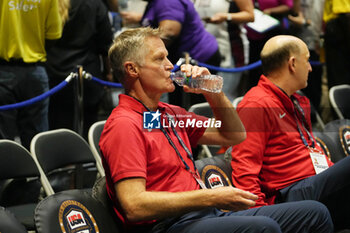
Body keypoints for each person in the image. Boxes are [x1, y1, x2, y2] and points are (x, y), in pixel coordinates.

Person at [99, 27, 334, 233]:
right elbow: (134, 205)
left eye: (168, 57)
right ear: (132, 70)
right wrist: (212, 196)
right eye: (160, 59)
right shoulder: (124, 124)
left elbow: (233, 134)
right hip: (168, 225)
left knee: (315, 213)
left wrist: (213, 92)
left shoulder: (169, 114)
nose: (171, 65)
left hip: (204, 215)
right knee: (264, 227)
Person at [231, 35, 350, 231]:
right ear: (293, 64)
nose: (311, 67)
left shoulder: (295, 100)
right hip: (291, 193)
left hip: (316, 182)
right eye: (307, 60)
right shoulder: (256, 104)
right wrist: (262, 217)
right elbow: (244, 169)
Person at [46, 0, 113, 138]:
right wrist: (109, 73)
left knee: (57, 132)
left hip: (53, 76)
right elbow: (106, 45)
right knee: (88, 133)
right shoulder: (95, 4)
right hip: (87, 74)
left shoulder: (48, 3)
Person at [0, 0, 62, 149]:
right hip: (35, 70)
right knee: (36, 140)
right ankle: (36, 172)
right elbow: (54, 34)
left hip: (4, 70)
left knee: (3, 141)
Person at [140, 0, 221, 108]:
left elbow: (170, 32)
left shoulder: (167, 2)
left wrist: (141, 54)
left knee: (192, 106)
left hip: (195, 57)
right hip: (181, 57)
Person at [194, 0, 254, 101]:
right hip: (203, 52)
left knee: (224, 95)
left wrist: (226, 17)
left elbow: (250, 15)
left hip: (229, 48)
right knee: (206, 97)